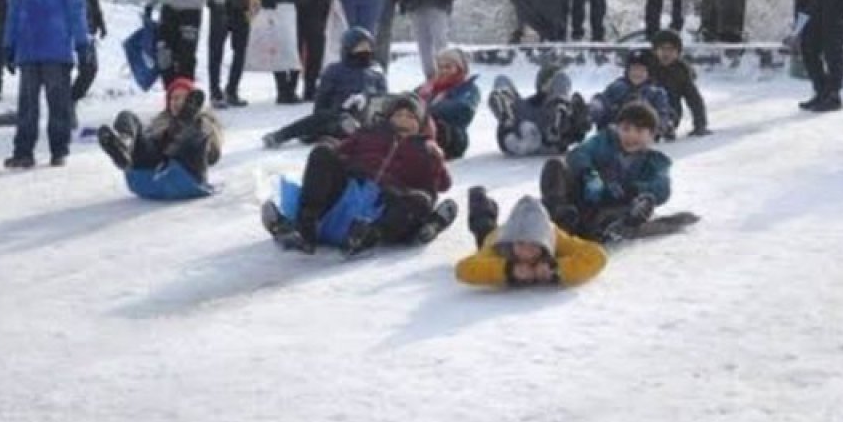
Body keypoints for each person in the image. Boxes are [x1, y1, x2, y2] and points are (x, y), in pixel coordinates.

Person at [262, 93, 455, 256]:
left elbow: (441, 186)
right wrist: (333, 149)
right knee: (323, 152)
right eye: (399, 115)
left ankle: (367, 237)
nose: (404, 120)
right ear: (389, 117)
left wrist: (437, 159)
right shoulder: (372, 133)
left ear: (421, 125)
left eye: (411, 117)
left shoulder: (425, 150)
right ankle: (305, 226)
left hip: (383, 204)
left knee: (419, 200)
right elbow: (339, 152)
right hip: (347, 191)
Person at [2, 0, 91, 169]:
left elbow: (77, 16)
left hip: (57, 51)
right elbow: (12, 15)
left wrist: (83, 46)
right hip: (29, 50)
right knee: (27, 106)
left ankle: (59, 149)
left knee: (58, 104)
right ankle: (23, 151)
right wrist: (8, 46)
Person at [540, 101, 674, 243]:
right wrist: (588, 173)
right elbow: (579, 153)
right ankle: (559, 213)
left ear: (652, 135)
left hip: (612, 207)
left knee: (639, 204)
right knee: (555, 165)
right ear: (617, 128)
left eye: (639, 131)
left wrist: (633, 189)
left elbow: (662, 187)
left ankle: (612, 227)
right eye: (626, 129)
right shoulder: (605, 141)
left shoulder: (655, 161)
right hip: (581, 199)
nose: (631, 136)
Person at [97, 77, 224, 200]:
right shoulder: (160, 121)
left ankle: (186, 119)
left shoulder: (205, 122)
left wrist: (188, 127)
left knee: (195, 128)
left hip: (187, 169)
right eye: (173, 98)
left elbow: (214, 155)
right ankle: (124, 144)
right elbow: (149, 147)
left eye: (183, 98)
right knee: (127, 116)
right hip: (155, 169)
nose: (177, 102)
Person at [262, 27, 387, 149]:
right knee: (328, 119)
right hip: (338, 117)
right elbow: (321, 104)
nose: (365, 51)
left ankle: (330, 132)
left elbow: (383, 99)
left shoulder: (376, 71)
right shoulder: (335, 70)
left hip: (366, 119)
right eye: (360, 47)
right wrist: (342, 107)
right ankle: (283, 135)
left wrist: (366, 97)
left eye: (368, 47)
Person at [456, 190, 607, 288]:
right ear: (512, 242)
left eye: (535, 244)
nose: (527, 252)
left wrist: (557, 268)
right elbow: (463, 269)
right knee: (483, 228)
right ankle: (481, 202)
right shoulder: (498, 243)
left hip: (548, 226)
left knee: (566, 219)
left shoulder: (555, 237)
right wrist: (507, 270)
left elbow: (598, 255)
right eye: (521, 244)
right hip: (498, 233)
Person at [488, 63, 589, 157]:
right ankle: (508, 121)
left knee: (564, 92)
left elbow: (579, 132)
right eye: (550, 81)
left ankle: (556, 124)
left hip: (551, 133)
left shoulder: (569, 108)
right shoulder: (525, 104)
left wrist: (578, 119)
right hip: (520, 129)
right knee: (501, 79)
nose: (552, 85)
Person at [589, 49, 675, 139]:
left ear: (648, 73)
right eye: (634, 69)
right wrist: (596, 107)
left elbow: (662, 112)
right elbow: (603, 100)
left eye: (641, 70)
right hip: (615, 132)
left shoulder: (655, 92)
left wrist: (659, 127)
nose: (637, 73)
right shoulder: (617, 87)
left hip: (642, 133)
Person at [416, 48, 481, 160]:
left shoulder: (468, 88)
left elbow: (463, 110)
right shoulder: (428, 87)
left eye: (448, 67)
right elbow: (409, 100)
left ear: (460, 68)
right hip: (423, 131)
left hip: (452, 138)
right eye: (440, 67)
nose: (443, 71)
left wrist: (425, 112)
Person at [650, 30, 711, 138]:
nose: (666, 53)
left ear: (678, 53)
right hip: (646, 109)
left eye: (671, 50)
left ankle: (665, 127)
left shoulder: (681, 72)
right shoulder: (647, 67)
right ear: (655, 51)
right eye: (662, 49)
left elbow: (694, 100)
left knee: (667, 115)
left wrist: (700, 124)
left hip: (671, 111)